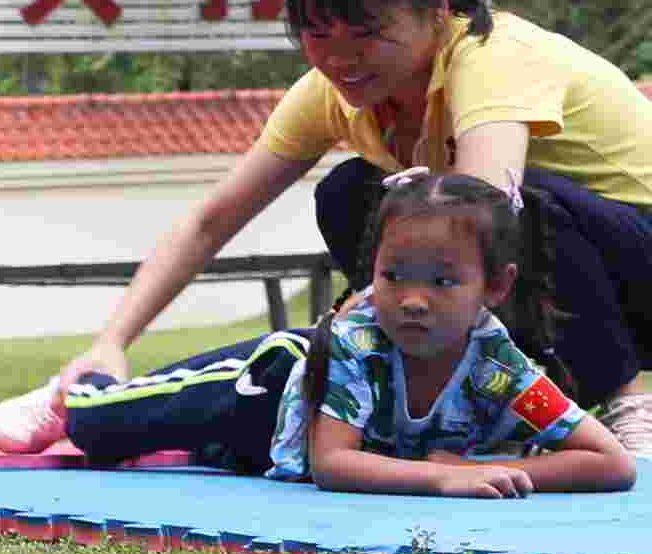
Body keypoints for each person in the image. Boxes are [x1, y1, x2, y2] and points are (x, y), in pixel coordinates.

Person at [0, 0, 652, 459]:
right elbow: (212, 219)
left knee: (491, 209)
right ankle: (468, 403)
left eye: (365, 34)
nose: (340, 59)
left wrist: (353, 317)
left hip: (633, 273)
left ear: (434, 10)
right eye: (315, 34)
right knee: (352, 195)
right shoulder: (331, 90)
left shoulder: (493, 55)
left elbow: (488, 207)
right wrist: (110, 343)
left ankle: (624, 404)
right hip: (537, 278)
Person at [59, 171, 631, 496]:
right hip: (260, 388)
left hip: (266, 453)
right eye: (392, 275)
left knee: (213, 457)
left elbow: (611, 462)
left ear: (496, 286)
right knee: (98, 427)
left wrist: (480, 471)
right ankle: (80, 384)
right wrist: (441, 479)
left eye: (443, 280)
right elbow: (334, 464)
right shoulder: (360, 342)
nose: (412, 298)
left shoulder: (498, 363)